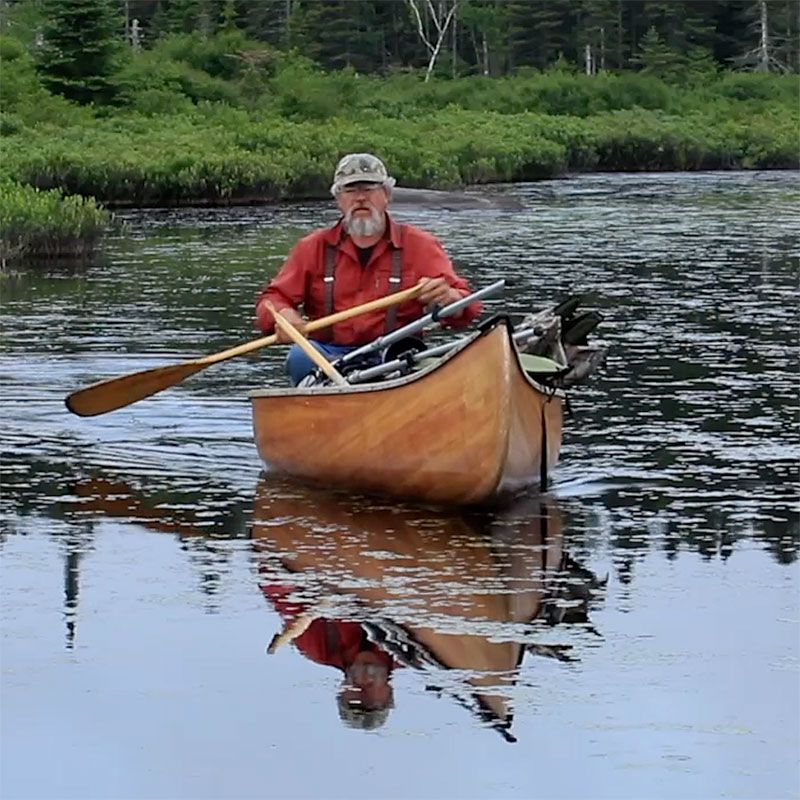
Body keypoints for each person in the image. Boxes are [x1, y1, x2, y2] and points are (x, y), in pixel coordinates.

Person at [256, 153, 482, 385]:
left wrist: (449, 298)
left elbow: (469, 307)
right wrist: (283, 316)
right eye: (351, 190)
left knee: (429, 366)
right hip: (328, 354)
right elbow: (272, 299)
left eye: (369, 189)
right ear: (338, 199)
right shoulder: (312, 247)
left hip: (396, 355)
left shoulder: (421, 245)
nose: (361, 198)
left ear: (386, 195)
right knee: (299, 356)